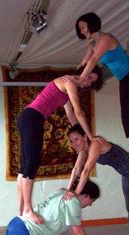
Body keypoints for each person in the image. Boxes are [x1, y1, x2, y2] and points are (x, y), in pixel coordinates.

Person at [17, 65, 104, 225]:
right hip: (32, 118)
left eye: (91, 82)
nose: (88, 82)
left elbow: (71, 114)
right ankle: (28, 209)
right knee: (31, 163)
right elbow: (79, 112)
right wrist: (90, 136)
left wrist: (80, 135)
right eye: (90, 77)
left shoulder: (66, 88)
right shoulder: (69, 82)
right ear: (84, 71)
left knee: (25, 165)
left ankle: (22, 209)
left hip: (29, 118)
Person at [64, 124, 129, 235]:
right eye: (71, 141)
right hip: (127, 175)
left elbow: (86, 170)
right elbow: (76, 170)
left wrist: (75, 193)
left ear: (85, 137)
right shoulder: (83, 151)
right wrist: (69, 190)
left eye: (76, 139)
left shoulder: (95, 145)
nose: (73, 143)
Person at [75, 12, 129, 162]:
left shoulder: (106, 38)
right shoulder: (92, 45)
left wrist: (81, 79)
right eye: (80, 29)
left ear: (91, 24)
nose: (81, 31)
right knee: (125, 112)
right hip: (124, 79)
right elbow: (84, 63)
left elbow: (94, 60)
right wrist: (74, 77)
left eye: (83, 27)